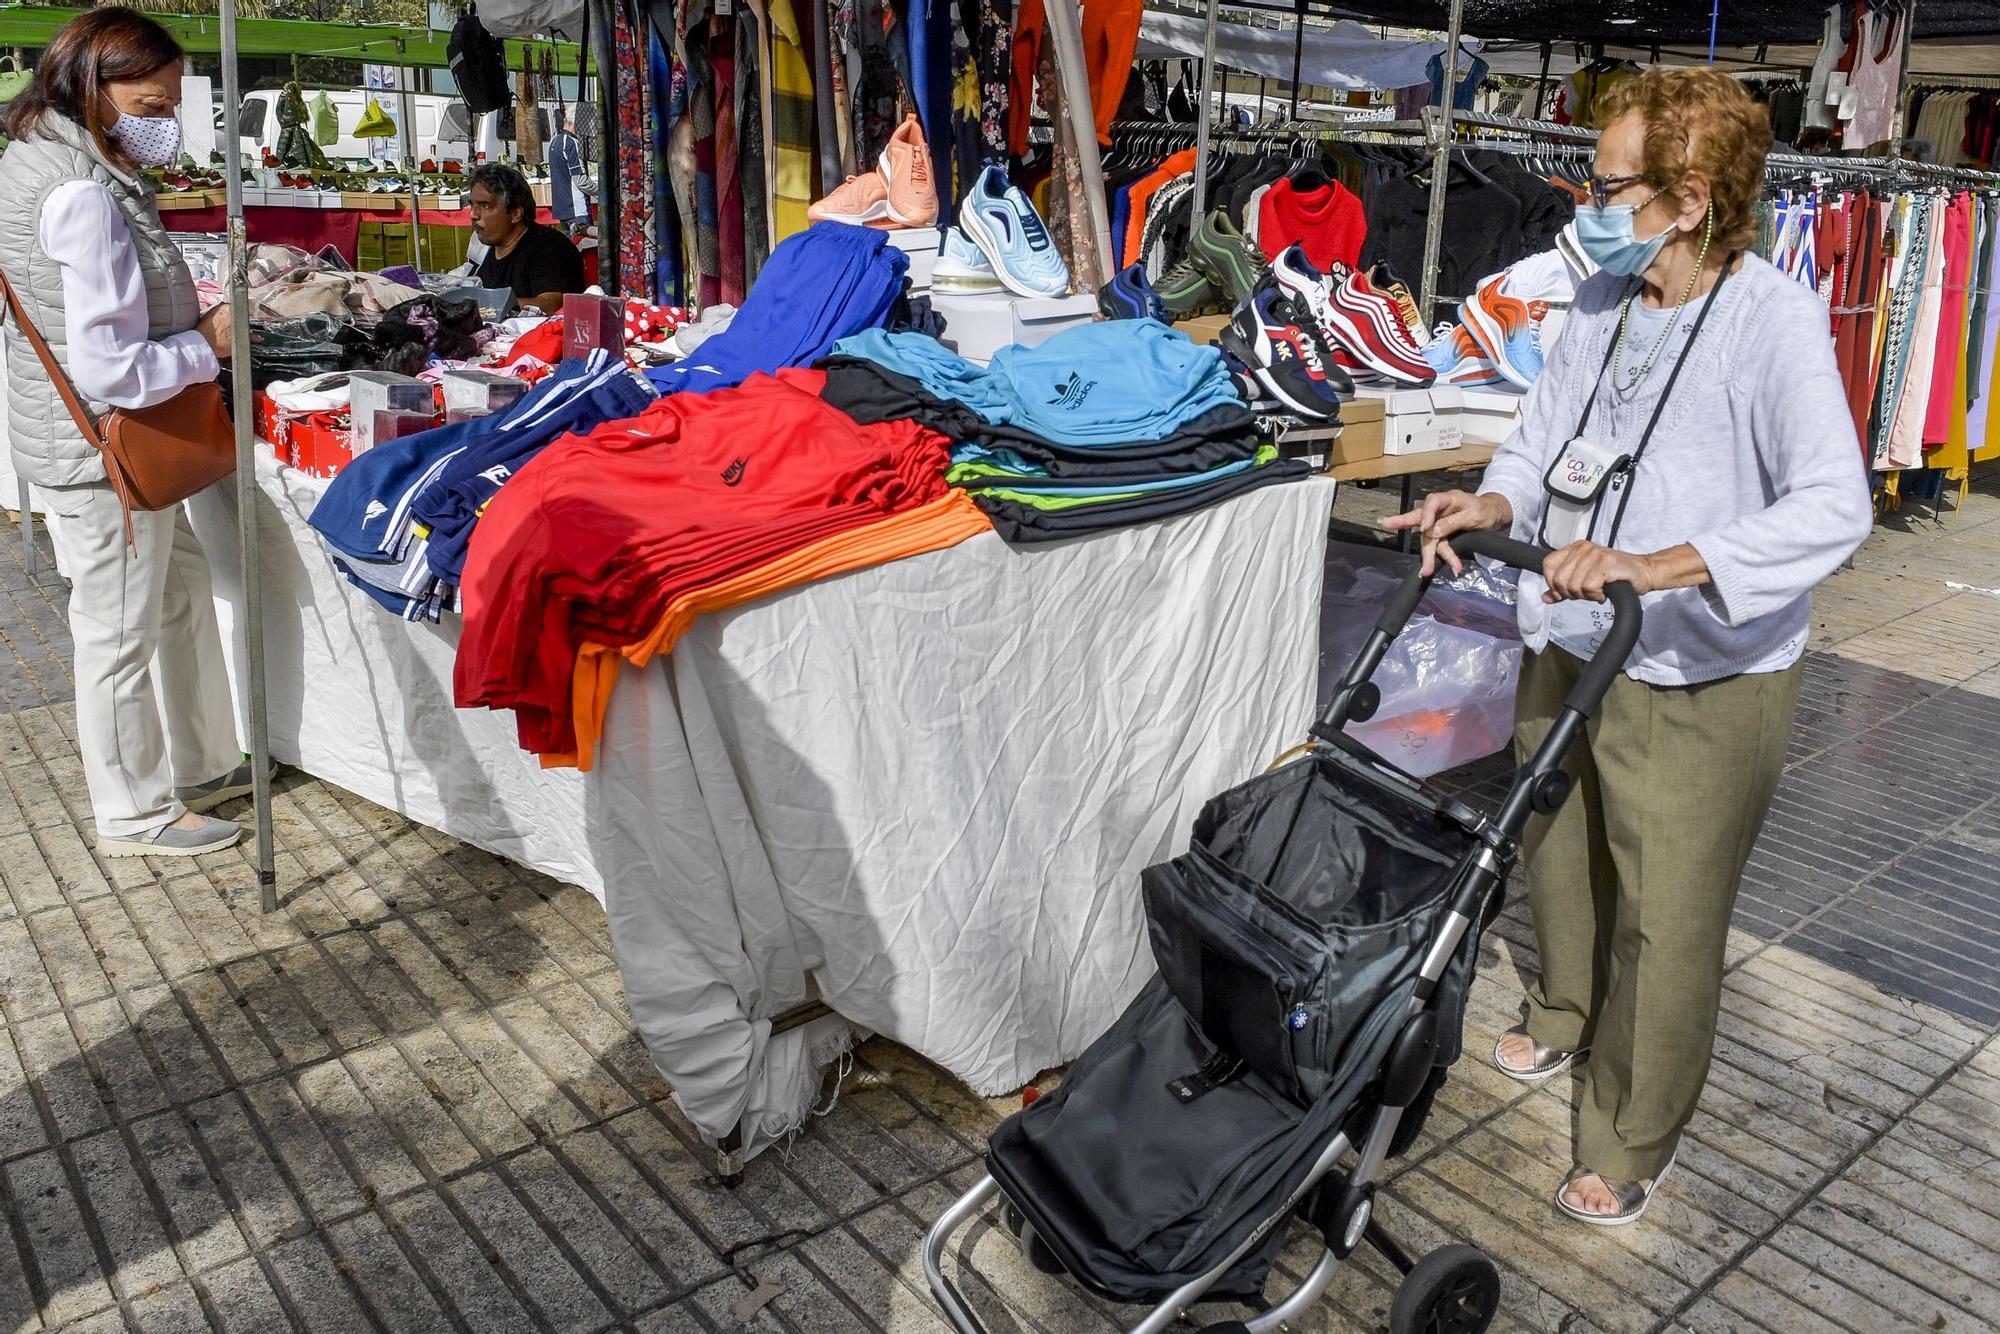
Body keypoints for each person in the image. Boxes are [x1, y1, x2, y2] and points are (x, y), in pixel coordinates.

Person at [1386, 69, 1873, 1226]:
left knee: (1664, 907)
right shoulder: (1601, 298)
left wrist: (1658, 562)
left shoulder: (1773, 321)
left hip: (1694, 663)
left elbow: (1831, 506)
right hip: (1567, 626)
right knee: (1551, 842)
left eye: (1608, 183)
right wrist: (1491, 506)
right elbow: (1539, 435)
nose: (1584, 201)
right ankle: (1560, 1010)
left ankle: (1629, 1126)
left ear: (1690, 199)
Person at [0, 7, 256, 857]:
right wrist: (204, 345)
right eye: (150, 106)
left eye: (171, 103)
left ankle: (210, 762)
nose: (164, 122)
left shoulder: (45, 159)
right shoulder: (79, 192)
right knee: (114, 632)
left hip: (113, 447)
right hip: (106, 448)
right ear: (92, 90)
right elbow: (107, 367)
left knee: (178, 598)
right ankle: (135, 811)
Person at [467, 160, 584, 313]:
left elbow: (552, 304)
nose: (473, 214)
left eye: (485, 206)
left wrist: (489, 308)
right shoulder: (484, 248)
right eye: (472, 205)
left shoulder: (551, 247)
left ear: (515, 214)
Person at [546, 106, 593, 239]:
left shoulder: (555, 141)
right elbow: (581, 181)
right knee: (583, 248)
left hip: (562, 209)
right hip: (576, 210)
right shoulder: (572, 143)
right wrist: (602, 193)